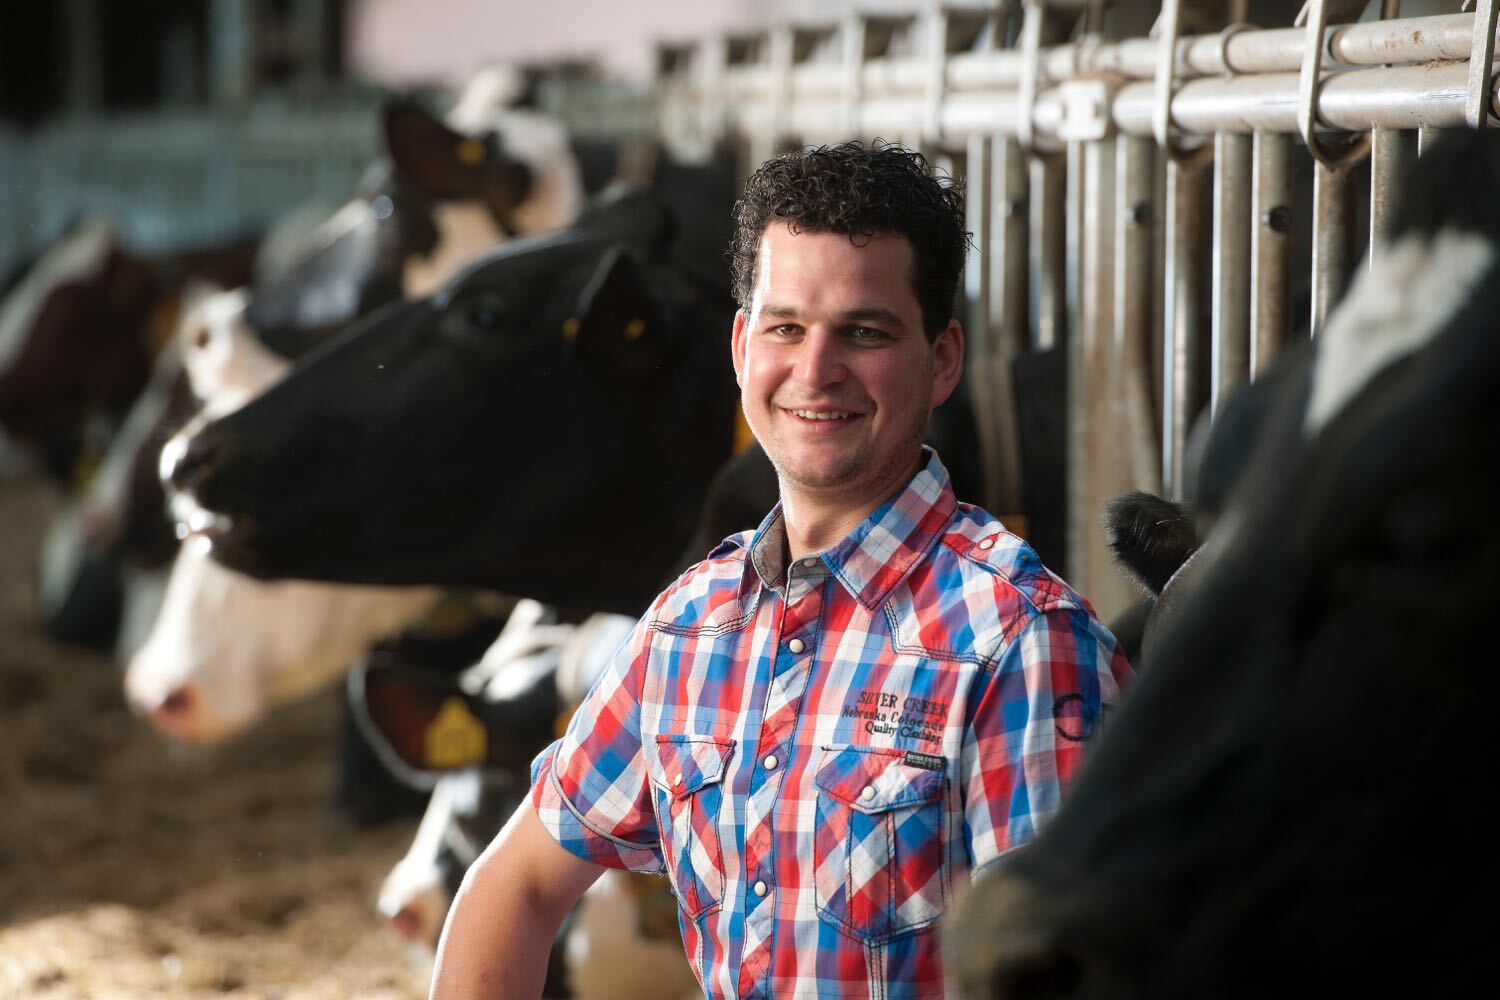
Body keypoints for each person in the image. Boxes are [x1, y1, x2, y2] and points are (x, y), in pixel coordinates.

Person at [430, 141, 1131, 999]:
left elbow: (1056, 972)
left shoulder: (1019, 640)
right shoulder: (690, 627)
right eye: (786, 327)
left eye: (864, 332)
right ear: (740, 346)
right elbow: (520, 885)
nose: (815, 369)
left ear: (943, 359)